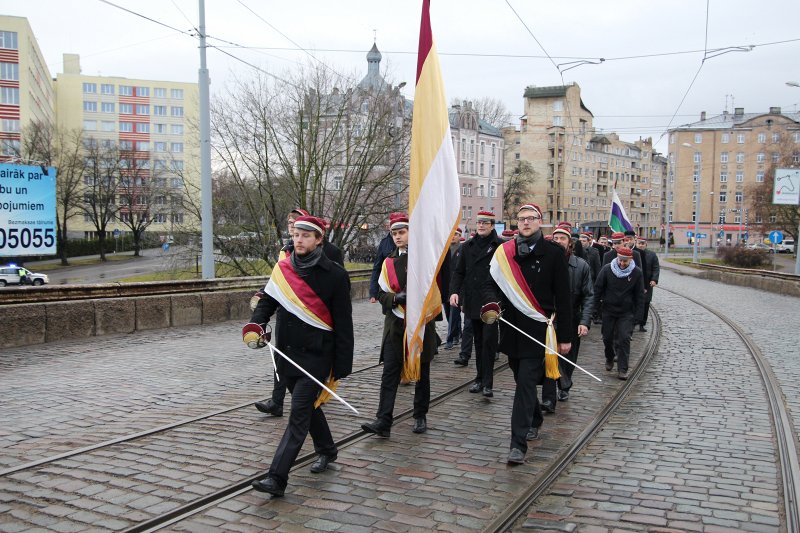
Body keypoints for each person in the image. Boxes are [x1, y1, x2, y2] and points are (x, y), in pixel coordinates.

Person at [247, 215, 354, 497]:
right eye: (296, 235)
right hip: (287, 354)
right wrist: (256, 325)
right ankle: (328, 449)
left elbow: (344, 323)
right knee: (308, 409)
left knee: (298, 415)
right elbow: (267, 301)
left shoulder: (335, 275)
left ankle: (277, 478)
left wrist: (342, 364)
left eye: (306, 236)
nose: (299, 240)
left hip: (318, 356)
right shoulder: (283, 269)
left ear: (319, 239)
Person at [482, 203, 572, 464]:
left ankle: (517, 444)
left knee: (524, 383)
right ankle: (535, 417)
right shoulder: (504, 252)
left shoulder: (553, 253)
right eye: (521, 219)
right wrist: (491, 303)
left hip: (538, 328)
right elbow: (490, 284)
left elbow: (563, 297)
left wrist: (565, 336)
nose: (525, 222)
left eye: (531, 218)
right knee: (519, 376)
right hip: (512, 327)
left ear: (540, 222)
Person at [254, 208, 344, 418]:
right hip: (288, 325)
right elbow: (275, 287)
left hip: (316, 330)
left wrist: (341, 359)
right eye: (292, 227)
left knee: (302, 406)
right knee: (284, 362)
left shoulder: (332, 254)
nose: (295, 232)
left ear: (318, 237)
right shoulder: (286, 253)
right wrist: (257, 320)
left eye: (302, 231)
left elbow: (337, 296)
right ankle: (277, 401)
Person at [361, 213, 437, 437]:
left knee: (421, 372)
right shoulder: (388, 262)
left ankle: (420, 415)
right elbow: (382, 292)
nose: (397, 237)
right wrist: (395, 299)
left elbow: (434, 289)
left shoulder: (425, 259)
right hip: (395, 323)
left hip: (420, 324)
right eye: (394, 233)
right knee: (390, 373)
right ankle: (383, 420)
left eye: (402, 232)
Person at [449, 211, 504, 397]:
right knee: (478, 342)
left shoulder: (500, 246)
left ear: (492, 225)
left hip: (491, 302)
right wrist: (455, 292)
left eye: (485, 223)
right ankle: (479, 378)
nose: (480, 225)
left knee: (489, 342)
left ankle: (488, 382)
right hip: (472, 301)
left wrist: (500, 299)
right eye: (478, 222)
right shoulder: (467, 246)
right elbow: (459, 272)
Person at [540, 223, 594, 410]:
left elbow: (589, 296)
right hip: (547, 318)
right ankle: (549, 395)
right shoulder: (545, 262)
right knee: (548, 356)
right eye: (555, 238)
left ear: (570, 243)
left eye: (562, 238)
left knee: (568, 355)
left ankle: (564, 384)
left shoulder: (581, 266)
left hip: (571, 317)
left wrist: (585, 322)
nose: (558, 241)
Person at [592, 246, 644, 381]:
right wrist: (594, 309)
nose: (622, 263)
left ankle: (622, 369)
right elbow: (597, 289)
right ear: (617, 258)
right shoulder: (607, 269)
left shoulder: (636, 273)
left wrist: (638, 316)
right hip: (608, 310)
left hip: (626, 313)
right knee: (607, 338)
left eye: (625, 261)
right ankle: (609, 357)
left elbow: (639, 296)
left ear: (630, 260)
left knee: (624, 339)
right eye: (620, 260)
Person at [444, 228, 463, 350]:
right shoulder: (444, 250)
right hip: (445, 287)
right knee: (448, 313)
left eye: (455, 234)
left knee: (454, 313)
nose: (453, 236)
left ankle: (449, 339)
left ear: (460, 236)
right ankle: (458, 333)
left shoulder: (463, 248)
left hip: (457, 288)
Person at [635, 239, 660, 332]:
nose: (641, 245)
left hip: (647, 283)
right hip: (636, 281)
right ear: (636, 244)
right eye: (639, 243)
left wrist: (654, 279)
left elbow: (656, 268)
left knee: (646, 303)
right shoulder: (633, 253)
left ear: (646, 244)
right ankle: (634, 321)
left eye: (643, 244)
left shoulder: (652, 255)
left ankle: (642, 323)